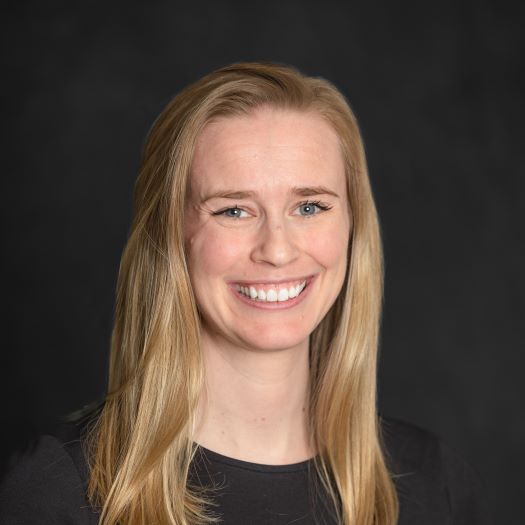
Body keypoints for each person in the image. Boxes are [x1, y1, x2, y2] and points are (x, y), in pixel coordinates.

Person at [0, 62, 491, 525]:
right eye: (234, 210)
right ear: (171, 235)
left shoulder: (435, 483)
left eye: (311, 206)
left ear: (352, 227)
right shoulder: (59, 492)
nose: (277, 250)